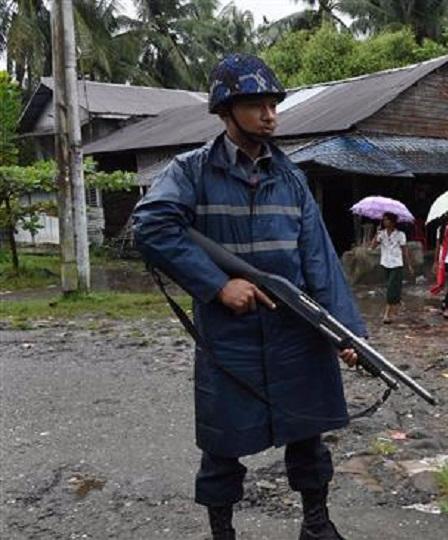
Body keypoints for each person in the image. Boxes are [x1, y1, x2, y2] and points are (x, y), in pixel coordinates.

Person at [132, 53, 362, 540]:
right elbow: (151, 226)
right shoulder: (191, 171)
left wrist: (347, 333)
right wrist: (217, 285)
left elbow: (319, 259)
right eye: (256, 105)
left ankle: (316, 526)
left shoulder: (292, 177)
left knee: (309, 436)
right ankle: (223, 532)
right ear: (224, 110)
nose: (270, 115)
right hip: (229, 336)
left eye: (273, 104)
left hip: (296, 331)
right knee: (222, 445)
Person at [371, 212, 411, 324]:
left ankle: (387, 314)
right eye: (384, 220)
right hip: (385, 263)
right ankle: (396, 304)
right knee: (392, 287)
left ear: (393, 222)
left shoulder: (400, 234)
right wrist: (376, 235)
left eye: (387, 220)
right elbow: (373, 247)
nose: (385, 222)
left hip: (397, 264)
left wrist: (409, 264)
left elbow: (404, 250)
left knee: (391, 289)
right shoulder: (381, 234)